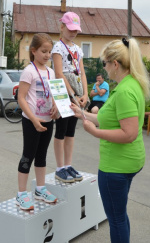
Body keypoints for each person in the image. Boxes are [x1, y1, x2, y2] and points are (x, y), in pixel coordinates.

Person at [71, 38, 150, 243]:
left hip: (116, 165)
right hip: (128, 161)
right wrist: (82, 114)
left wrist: (95, 132)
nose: (104, 68)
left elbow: (129, 133)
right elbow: (109, 120)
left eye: (105, 63)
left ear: (115, 64)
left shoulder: (124, 91)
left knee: (115, 219)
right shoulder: (131, 84)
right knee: (120, 215)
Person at [16, 33, 59, 210]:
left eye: (49, 51)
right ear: (33, 51)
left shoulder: (51, 72)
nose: (48, 55)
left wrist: (56, 106)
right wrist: (33, 119)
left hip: (48, 121)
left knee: (42, 155)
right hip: (31, 121)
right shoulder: (29, 71)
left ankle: (40, 190)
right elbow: (21, 98)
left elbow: (55, 94)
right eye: (44, 51)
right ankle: (21, 194)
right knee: (28, 155)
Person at [52, 11, 88, 183]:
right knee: (61, 130)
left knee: (71, 131)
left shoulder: (78, 49)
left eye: (76, 30)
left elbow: (82, 72)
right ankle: (60, 168)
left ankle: (68, 165)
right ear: (62, 27)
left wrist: (85, 94)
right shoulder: (57, 47)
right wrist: (72, 95)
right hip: (63, 92)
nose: (73, 33)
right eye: (70, 29)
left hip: (77, 91)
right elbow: (59, 73)